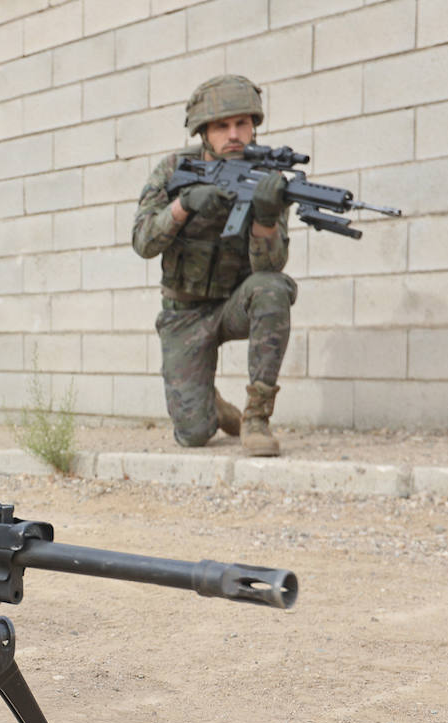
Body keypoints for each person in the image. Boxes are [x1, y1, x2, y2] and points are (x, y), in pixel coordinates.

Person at [131, 74, 295, 457]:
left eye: (243, 124)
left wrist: (266, 217)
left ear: (254, 127)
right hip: (184, 314)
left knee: (273, 287)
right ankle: (212, 405)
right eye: (222, 126)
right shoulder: (174, 170)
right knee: (192, 434)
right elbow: (142, 242)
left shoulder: (266, 178)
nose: (234, 134)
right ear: (203, 131)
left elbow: (270, 265)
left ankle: (256, 419)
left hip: (234, 304)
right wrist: (182, 207)